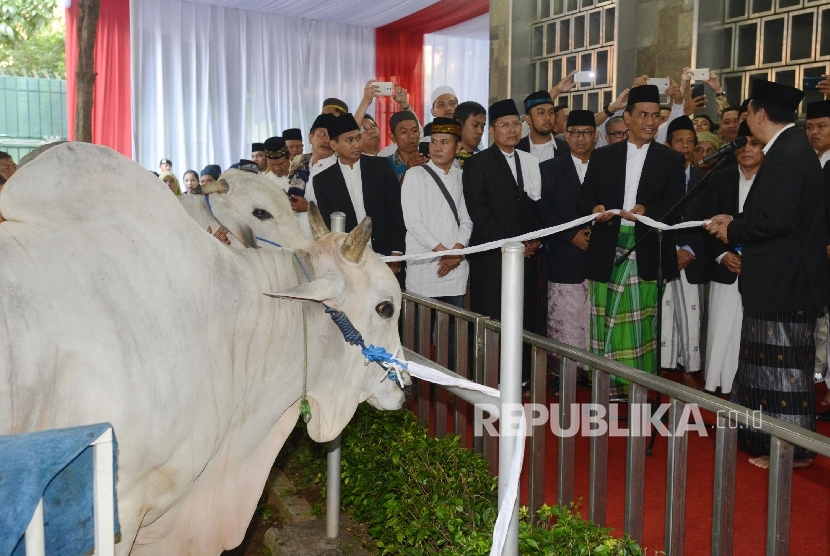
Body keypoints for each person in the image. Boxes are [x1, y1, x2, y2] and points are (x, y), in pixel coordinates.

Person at [705, 80, 829, 469]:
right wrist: (737, 221)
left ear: (759, 114)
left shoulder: (788, 154)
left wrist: (733, 230)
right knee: (770, 367)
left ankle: (791, 451)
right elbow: (776, 215)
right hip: (779, 280)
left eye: (746, 115)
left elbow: (776, 219)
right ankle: (771, 441)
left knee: (784, 372)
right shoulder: (791, 149)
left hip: (785, 282)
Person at [576, 84, 686, 399]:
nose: (650, 121)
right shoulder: (602, 156)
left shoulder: (670, 159)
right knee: (604, 319)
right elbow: (584, 199)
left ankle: (638, 386)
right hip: (606, 247)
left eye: (655, 115)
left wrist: (647, 211)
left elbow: (678, 203)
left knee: (641, 323)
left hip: (647, 247)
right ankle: (606, 385)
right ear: (627, 118)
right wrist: (595, 210)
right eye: (643, 115)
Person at [462, 99, 544, 385]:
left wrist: (536, 241)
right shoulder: (477, 164)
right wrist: (512, 245)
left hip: (527, 257)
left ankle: (520, 378)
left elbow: (538, 208)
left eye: (515, 124)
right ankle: (488, 377)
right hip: (492, 258)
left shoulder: (530, 161)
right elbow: (479, 213)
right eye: (503, 125)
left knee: (524, 316)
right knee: (492, 316)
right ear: (492, 131)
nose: (511, 130)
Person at [702, 122, 762, 395]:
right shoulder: (719, 177)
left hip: (762, 267)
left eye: (755, 144)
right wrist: (722, 255)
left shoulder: (774, 179)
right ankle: (718, 384)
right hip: (726, 266)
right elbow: (705, 223)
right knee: (721, 327)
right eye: (742, 144)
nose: (747, 149)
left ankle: (750, 386)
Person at [537, 110, 597, 367]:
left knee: (595, 318)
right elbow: (544, 209)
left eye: (586, 133)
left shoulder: (606, 165)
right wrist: (570, 235)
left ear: (595, 136)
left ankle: (595, 371)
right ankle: (564, 372)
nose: (580, 138)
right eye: (574, 133)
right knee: (566, 318)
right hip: (564, 252)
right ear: (565, 135)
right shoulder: (550, 168)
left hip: (599, 254)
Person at [313, 113, 406, 272]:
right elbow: (330, 228)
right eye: (349, 140)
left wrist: (397, 252)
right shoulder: (323, 180)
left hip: (387, 256)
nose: (356, 144)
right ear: (334, 145)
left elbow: (397, 210)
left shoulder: (381, 167)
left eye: (358, 138)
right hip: (349, 260)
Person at [401, 117, 472, 308]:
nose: (437, 148)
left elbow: (467, 220)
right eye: (433, 142)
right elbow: (414, 224)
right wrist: (445, 253)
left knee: (452, 334)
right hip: (424, 269)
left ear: (458, 148)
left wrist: (456, 251)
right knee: (419, 334)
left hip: (455, 270)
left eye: (444, 142)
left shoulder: (462, 177)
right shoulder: (415, 175)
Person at [660, 117, 709, 388]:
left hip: (694, 255)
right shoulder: (658, 176)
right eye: (680, 140)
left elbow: (710, 219)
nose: (686, 146)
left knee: (692, 313)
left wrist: (688, 249)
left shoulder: (704, 179)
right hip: (665, 252)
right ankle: (664, 364)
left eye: (691, 141)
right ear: (668, 144)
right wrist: (673, 248)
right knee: (664, 311)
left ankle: (690, 368)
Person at [804, 101, 830, 404]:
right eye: (809, 127)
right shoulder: (804, 162)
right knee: (814, 325)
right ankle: (814, 381)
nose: (814, 132)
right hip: (809, 259)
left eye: (821, 126)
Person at [287, 113, 337, 206]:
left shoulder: (339, 166)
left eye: (332, 136)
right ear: (311, 138)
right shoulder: (299, 160)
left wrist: (308, 207)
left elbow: (339, 206)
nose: (327, 140)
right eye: (322, 134)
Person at [517, 91, 570, 162]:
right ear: (529, 119)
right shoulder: (516, 150)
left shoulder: (567, 149)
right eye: (541, 113)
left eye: (551, 112)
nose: (548, 117)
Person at [388, 111, 425, 183]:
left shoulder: (427, 160)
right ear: (393, 137)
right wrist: (408, 171)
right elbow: (389, 193)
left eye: (414, 131)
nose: (411, 136)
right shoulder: (386, 165)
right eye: (404, 132)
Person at [453, 101, 486, 168]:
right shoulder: (449, 158)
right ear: (459, 124)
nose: (480, 131)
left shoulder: (486, 158)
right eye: (475, 125)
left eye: (482, 127)